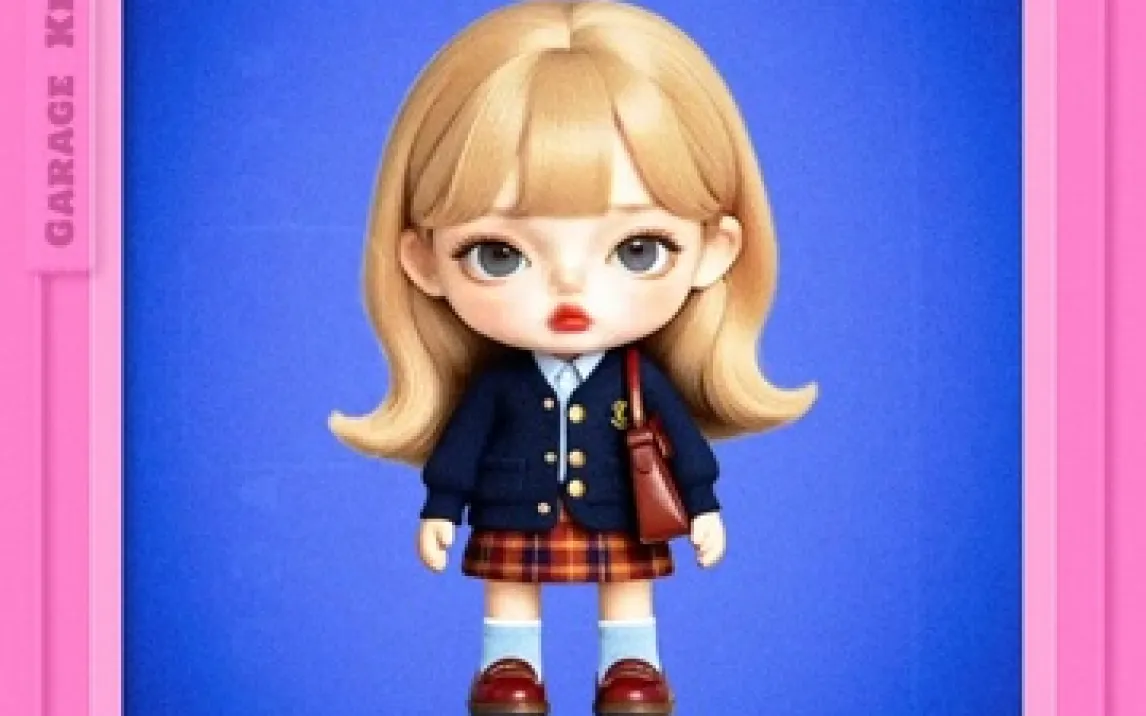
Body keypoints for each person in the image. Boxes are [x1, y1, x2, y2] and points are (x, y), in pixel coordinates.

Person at [329, 2, 817, 713]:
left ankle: (631, 665)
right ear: (424, 260)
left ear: (714, 250)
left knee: (627, 587)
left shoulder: (638, 378)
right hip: (512, 503)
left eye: (637, 249)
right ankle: (508, 667)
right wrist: (441, 507)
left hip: (618, 505)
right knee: (510, 588)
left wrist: (704, 506)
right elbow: (461, 449)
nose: (570, 288)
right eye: (499, 253)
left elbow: (683, 445)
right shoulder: (498, 386)